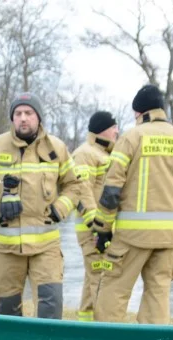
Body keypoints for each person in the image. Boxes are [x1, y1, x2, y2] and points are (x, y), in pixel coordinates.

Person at [0, 92, 87, 318]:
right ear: (12, 119)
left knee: (51, 308)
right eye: (18, 113)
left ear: (38, 117)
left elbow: (75, 185)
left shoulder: (57, 148)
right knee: (8, 313)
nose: (23, 118)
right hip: (5, 248)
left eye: (29, 113)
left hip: (46, 248)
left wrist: (60, 208)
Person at [88, 84, 173, 324]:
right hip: (170, 237)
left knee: (113, 292)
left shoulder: (132, 138)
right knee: (158, 294)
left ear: (138, 113)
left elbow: (111, 191)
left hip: (134, 236)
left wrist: (102, 230)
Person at [70, 111, 119, 322]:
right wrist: (97, 227)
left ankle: (85, 323)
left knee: (94, 278)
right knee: (100, 279)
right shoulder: (85, 153)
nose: (117, 130)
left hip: (104, 229)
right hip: (93, 231)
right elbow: (81, 192)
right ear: (103, 129)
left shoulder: (106, 154)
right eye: (113, 127)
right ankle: (102, 331)